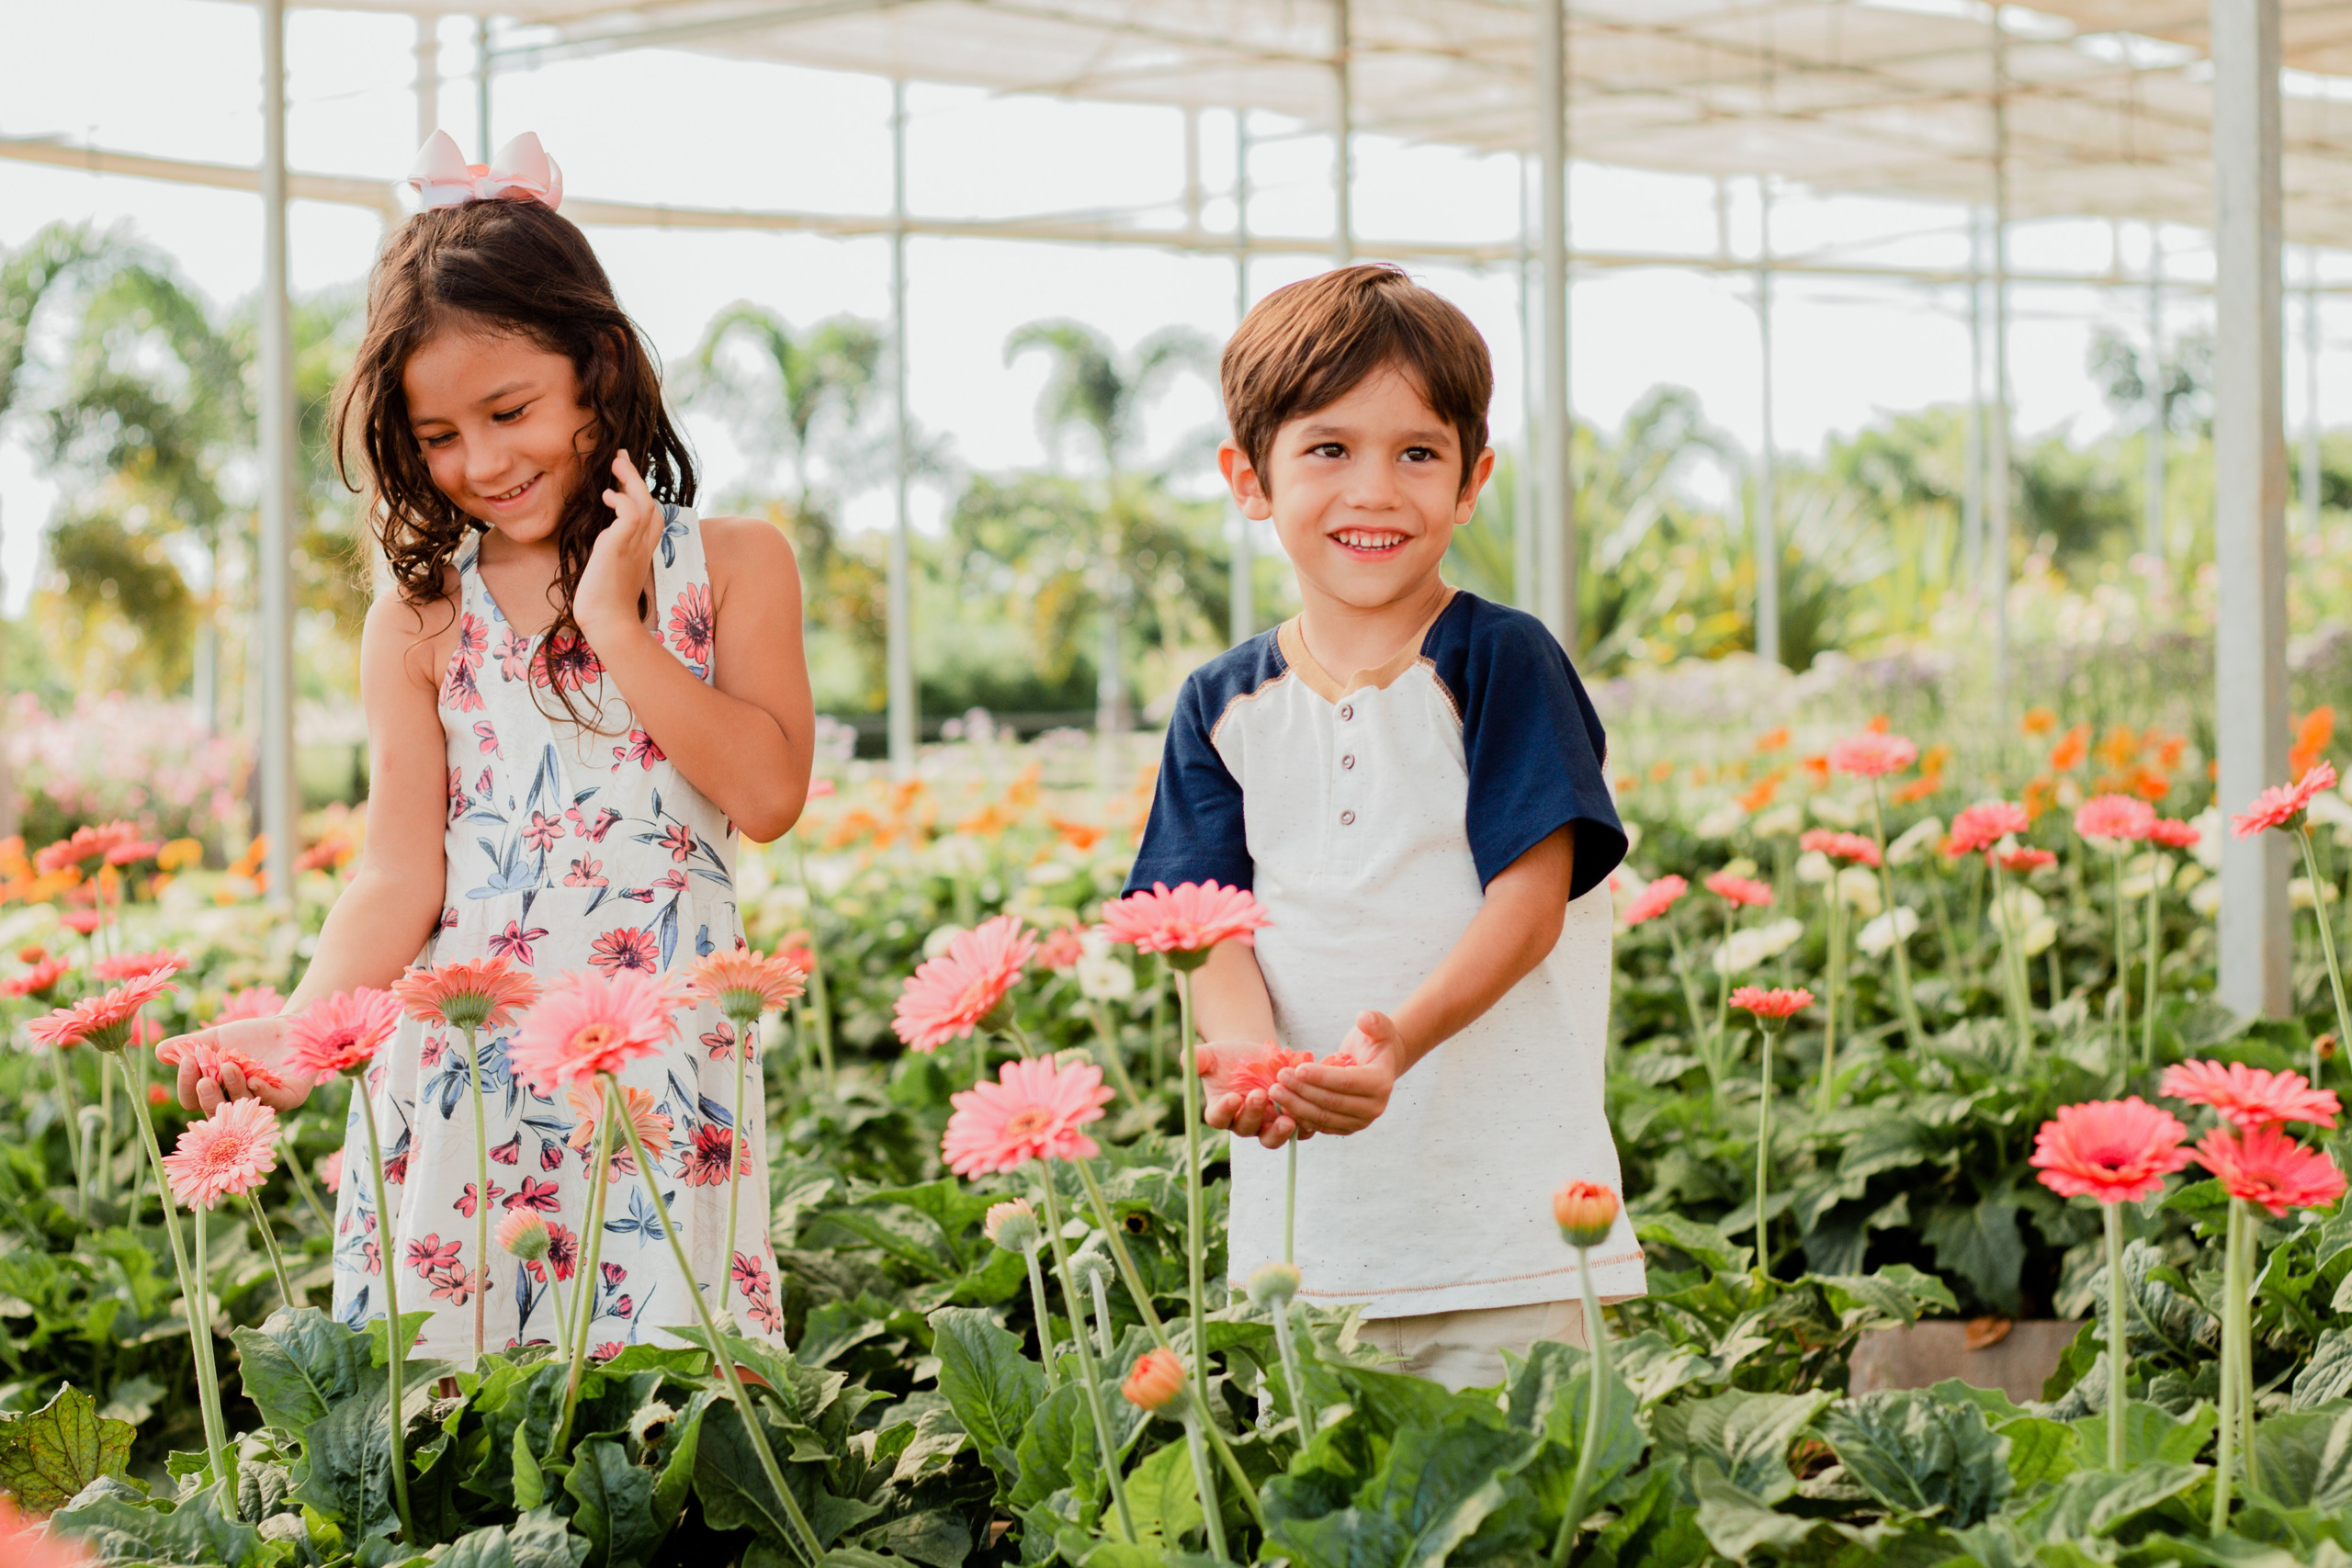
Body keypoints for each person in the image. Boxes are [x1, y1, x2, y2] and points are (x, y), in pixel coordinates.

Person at [155, 132, 816, 1364]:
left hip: (659, 1060)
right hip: (462, 1067)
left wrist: (617, 626)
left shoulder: (732, 563)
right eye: (441, 434)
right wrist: (303, 1031)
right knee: (457, 1414)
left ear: (597, 370)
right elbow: (398, 872)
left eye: (511, 411)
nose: (484, 463)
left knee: (670, 1399)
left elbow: (767, 793)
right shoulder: (417, 615)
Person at [1125, 263, 1642, 1390]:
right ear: (1247, 478)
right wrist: (1251, 1065)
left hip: (1514, 1235)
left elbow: (1530, 900)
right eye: (1328, 449)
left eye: (1417, 453)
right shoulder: (1219, 705)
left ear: (1471, 483)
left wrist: (1395, 1044)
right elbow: (1204, 928)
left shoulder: (1499, 659)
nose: (1375, 489)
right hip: (1305, 1248)